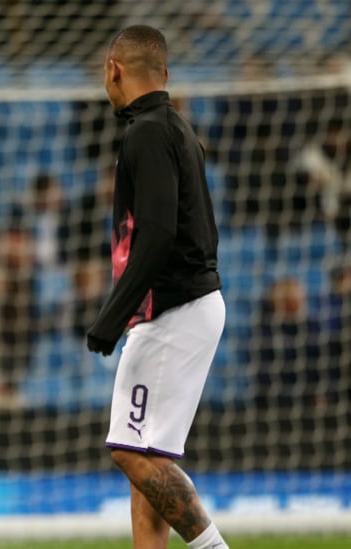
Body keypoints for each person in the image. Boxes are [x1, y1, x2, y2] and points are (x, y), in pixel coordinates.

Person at [85, 26, 229, 549]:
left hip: (174, 308)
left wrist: (110, 317)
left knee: (130, 450)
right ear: (164, 74)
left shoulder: (145, 131)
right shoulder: (177, 127)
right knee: (148, 454)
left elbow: (159, 233)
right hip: (188, 305)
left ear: (113, 69)